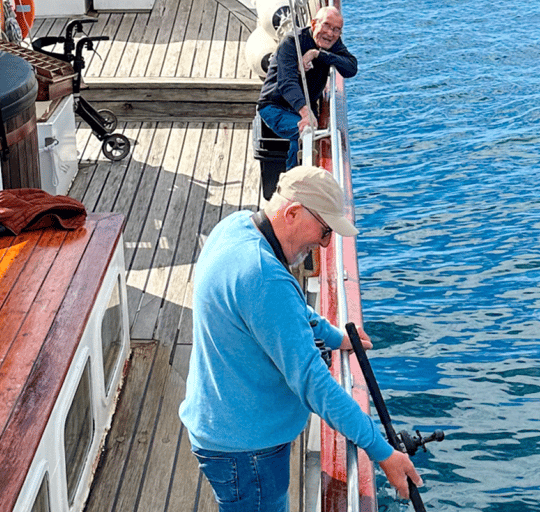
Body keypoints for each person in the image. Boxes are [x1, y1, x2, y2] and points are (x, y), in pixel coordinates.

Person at [179, 165, 421, 511]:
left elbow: (291, 312)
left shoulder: (235, 228)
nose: (324, 244)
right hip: (247, 451)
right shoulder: (263, 277)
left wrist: (334, 336)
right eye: (324, 231)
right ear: (292, 213)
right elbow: (312, 381)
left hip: (223, 426)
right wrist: (382, 452)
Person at [257, 6, 357, 170]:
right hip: (276, 106)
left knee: (307, 132)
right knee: (304, 132)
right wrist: (305, 113)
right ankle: (292, 182)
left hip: (305, 106)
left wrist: (318, 54)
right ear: (313, 23)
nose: (330, 33)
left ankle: (296, 180)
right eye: (326, 25)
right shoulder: (291, 42)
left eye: (336, 30)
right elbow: (286, 83)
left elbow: (351, 68)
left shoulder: (332, 43)